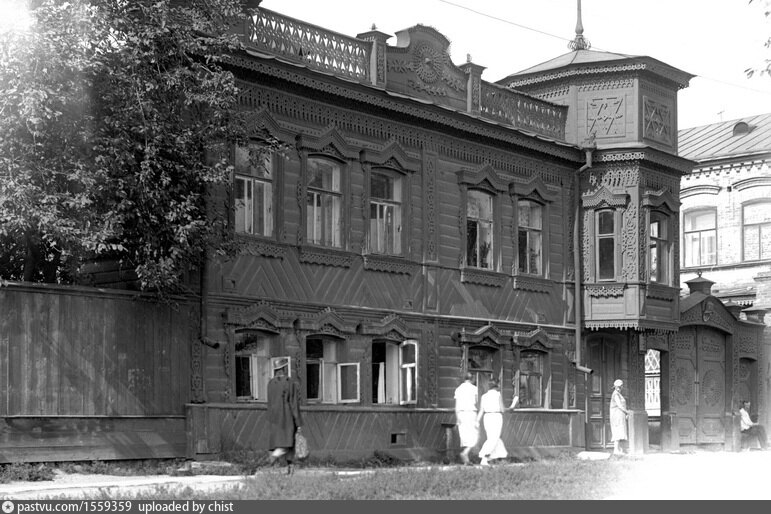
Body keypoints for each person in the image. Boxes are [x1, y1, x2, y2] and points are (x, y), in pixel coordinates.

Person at [267, 357, 303, 474]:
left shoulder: (271, 383)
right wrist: (298, 422)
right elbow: (294, 403)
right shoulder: (289, 382)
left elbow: (270, 401)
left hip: (274, 417)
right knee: (288, 442)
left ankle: (285, 467)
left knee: (279, 440)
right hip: (287, 416)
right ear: (284, 368)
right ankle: (276, 457)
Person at [476, 378, 508, 466]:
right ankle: (484, 457)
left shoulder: (484, 396)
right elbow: (502, 409)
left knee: (494, 437)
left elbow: (481, 410)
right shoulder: (498, 395)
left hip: (487, 417)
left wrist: (477, 421)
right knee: (493, 438)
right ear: (497, 385)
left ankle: (500, 456)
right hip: (496, 417)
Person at [454, 372, 479, 465]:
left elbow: (456, 406)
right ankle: (465, 453)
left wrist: (457, 418)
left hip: (461, 413)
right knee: (474, 436)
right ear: (472, 379)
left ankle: (466, 460)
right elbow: (476, 401)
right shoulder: (474, 389)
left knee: (465, 436)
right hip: (471, 413)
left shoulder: (458, 389)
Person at [609, 379, 628, 456]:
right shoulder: (616, 394)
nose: (619, 388)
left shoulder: (618, 394)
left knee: (620, 430)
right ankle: (616, 449)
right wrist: (627, 412)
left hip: (619, 414)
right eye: (618, 387)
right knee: (617, 430)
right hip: (616, 415)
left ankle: (618, 449)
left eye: (620, 386)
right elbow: (619, 405)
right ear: (615, 387)